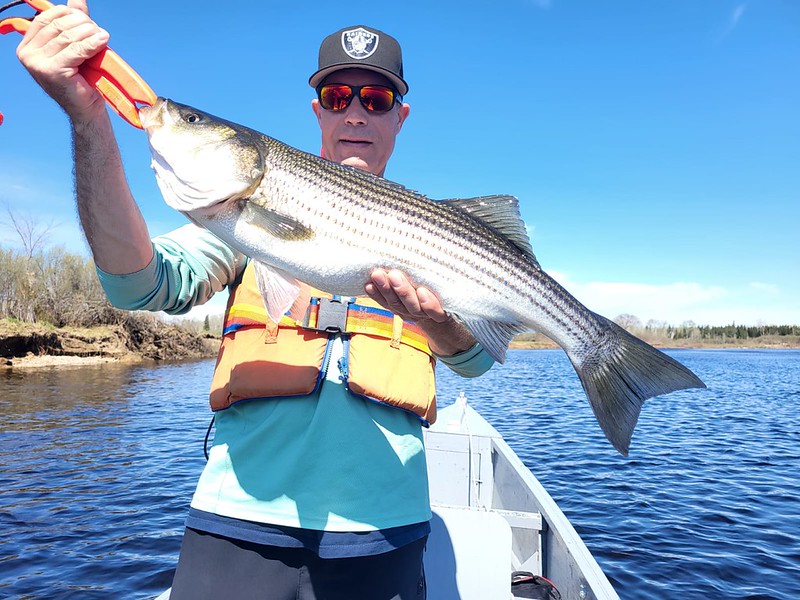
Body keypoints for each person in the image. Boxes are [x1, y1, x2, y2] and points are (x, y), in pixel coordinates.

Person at [17, 2, 494, 598]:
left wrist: (438, 323)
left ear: (401, 116)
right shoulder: (238, 218)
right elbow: (136, 283)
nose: (355, 111)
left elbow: (477, 358)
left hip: (383, 528)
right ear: (317, 110)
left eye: (376, 99)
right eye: (338, 95)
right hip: (237, 521)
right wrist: (88, 118)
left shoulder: (441, 235)